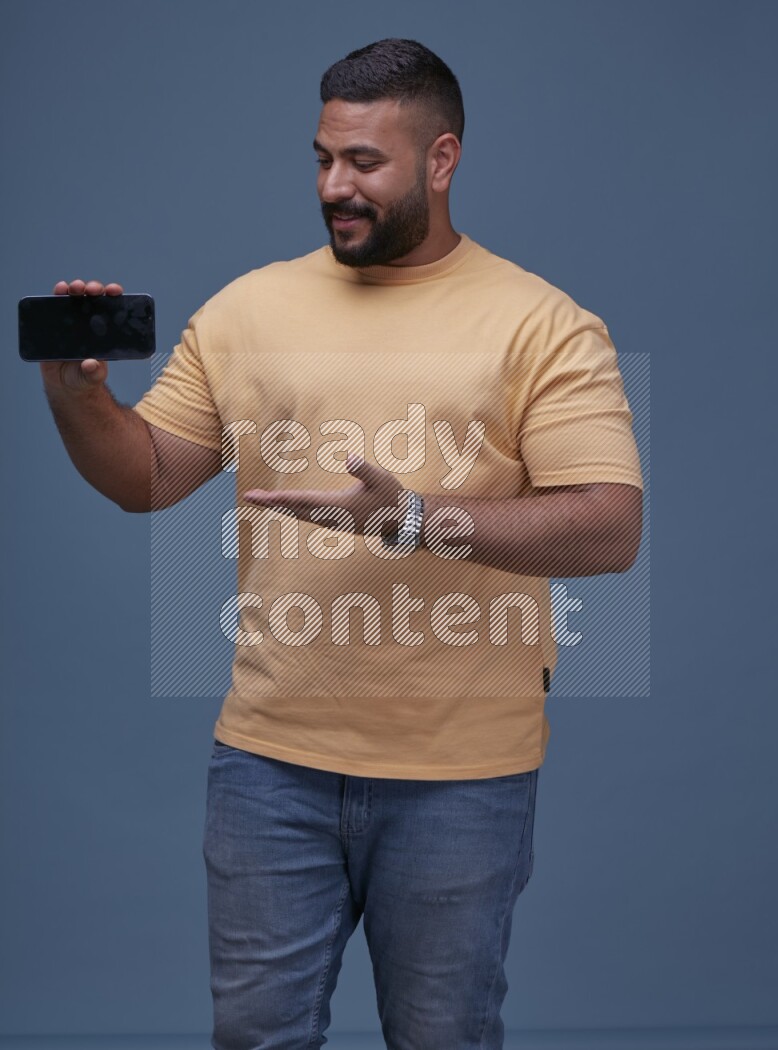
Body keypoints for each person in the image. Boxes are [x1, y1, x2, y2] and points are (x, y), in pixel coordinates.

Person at [41, 37, 643, 1050]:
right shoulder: (245, 311)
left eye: (363, 161)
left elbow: (607, 526)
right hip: (267, 767)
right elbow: (144, 477)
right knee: (256, 1039)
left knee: (441, 1038)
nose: (334, 185)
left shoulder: (540, 325)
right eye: (322, 158)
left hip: (463, 774)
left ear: (440, 159)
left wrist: (411, 520)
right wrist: (75, 395)